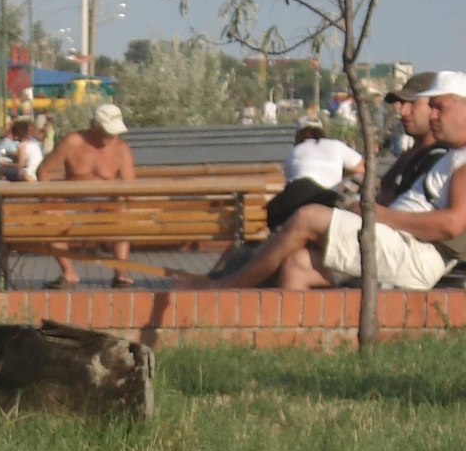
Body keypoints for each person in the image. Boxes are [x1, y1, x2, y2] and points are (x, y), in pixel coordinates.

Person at [195, 74, 466, 293]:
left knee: (308, 216)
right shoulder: (451, 155)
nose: (433, 115)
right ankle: (297, 342)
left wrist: (379, 215)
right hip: (400, 244)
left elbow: (452, 224)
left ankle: (221, 288)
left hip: (415, 254)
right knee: (298, 264)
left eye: (440, 107)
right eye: (431, 107)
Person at [35, 101, 135, 285]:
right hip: (73, 203)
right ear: (93, 125)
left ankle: (120, 272)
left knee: (123, 216)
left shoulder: (121, 149)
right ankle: (69, 272)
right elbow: (44, 170)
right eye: (106, 132)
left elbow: (130, 187)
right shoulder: (73, 142)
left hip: (106, 205)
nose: (110, 137)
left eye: (113, 133)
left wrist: (121, 201)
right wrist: (49, 200)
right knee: (49, 218)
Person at [263, 122, 364, 232]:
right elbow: (362, 168)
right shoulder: (336, 145)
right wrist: (341, 172)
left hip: (296, 199)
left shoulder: (293, 153)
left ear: (298, 135)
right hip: (327, 200)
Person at [379, 73, 443, 206]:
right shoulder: (412, 153)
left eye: (412, 103)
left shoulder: (440, 158)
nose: (403, 111)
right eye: (402, 103)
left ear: (436, 105)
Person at [0, 115, 41, 182]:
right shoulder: (34, 143)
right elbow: (22, 155)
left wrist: (5, 163)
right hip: (38, 171)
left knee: (5, 171)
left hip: (30, 172)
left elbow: (20, 165)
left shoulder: (21, 146)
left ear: (16, 134)